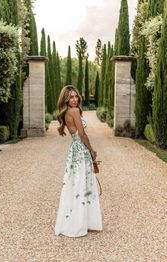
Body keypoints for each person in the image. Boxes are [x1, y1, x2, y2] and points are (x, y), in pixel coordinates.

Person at [54, 85, 103, 237]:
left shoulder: (67, 112)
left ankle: (78, 221)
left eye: (76, 96)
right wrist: (92, 150)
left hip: (74, 150)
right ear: (66, 99)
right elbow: (82, 134)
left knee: (76, 184)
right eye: (71, 97)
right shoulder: (74, 111)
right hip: (81, 150)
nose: (74, 100)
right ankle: (80, 223)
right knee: (82, 183)